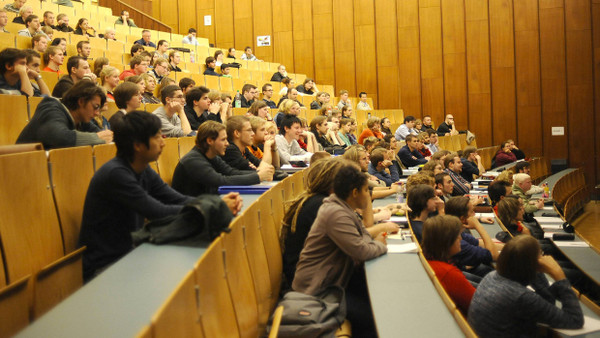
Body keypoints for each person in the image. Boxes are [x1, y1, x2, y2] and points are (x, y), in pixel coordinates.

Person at [78, 111, 242, 280]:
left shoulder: (142, 168)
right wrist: (215, 207)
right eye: (157, 137)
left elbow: (175, 197)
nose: (163, 143)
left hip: (132, 253)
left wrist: (216, 203)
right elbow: (158, 211)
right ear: (137, 145)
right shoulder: (117, 174)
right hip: (106, 266)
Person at [292, 162, 387, 337]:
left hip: (334, 283)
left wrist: (373, 243)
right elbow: (362, 250)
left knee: (380, 303)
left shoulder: (343, 209)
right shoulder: (335, 212)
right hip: (318, 291)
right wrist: (381, 245)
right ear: (355, 193)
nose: (368, 195)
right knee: (373, 317)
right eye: (366, 191)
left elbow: (363, 237)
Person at [468, 235, 583, 337]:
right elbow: (574, 320)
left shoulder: (492, 276)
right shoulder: (520, 296)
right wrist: (559, 275)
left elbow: (547, 301)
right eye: (540, 256)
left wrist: (536, 270)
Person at [172, 120, 267, 195]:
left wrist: (260, 173)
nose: (227, 144)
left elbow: (230, 172)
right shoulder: (193, 161)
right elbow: (221, 181)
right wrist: (257, 177)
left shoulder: (211, 155)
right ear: (210, 141)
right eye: (223, 140)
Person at [17, 80, 112, 148]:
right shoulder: (50, 107)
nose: (96, 113)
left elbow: (102, 135)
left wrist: (106, 136)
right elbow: (59, 137)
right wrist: (97, 138)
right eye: (95, 107)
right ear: (81, 101)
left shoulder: (81, 118)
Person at [422, 215, 476, 315]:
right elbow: (478, 304)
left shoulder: (426, 259)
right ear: (446, 241)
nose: (460, 239)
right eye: (457, 236)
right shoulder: (448, 273)